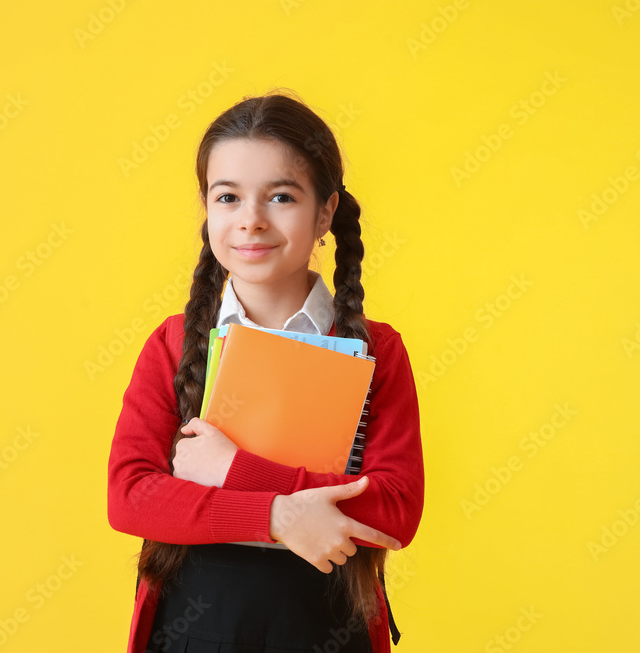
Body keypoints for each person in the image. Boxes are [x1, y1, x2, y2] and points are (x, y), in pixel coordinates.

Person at [107, 90, 424, 653]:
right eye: (227, 197)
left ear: (324, 212)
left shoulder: (377, 351)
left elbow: (395, 510)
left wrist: (239, 472)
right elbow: (131, 496)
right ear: (208, 211)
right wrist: (280, 515)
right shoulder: (175, 343)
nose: (250, 221)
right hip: (196, 628)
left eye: (280, 196)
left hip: (324, 627)